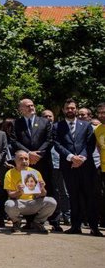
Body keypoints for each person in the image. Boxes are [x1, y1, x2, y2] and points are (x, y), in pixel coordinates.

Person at [52, 98, 101, 236]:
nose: (70, 110)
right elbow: (57, 144)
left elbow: (90, 144)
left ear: (77, 109)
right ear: (63, 110)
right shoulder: (57, 126)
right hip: (69, 166)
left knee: (89, 196)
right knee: (73, 196)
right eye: (67, 108)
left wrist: (82, 158)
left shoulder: (86, 125)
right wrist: (71, 157)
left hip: (86, 166)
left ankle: (94, 227)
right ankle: (75, 226)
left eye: (72, 108)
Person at [10, 98, 58, 230]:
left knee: (44, 189)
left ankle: (45, 220)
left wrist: (38, 155)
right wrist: (28, 154)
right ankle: (29, 221)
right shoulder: (16, 123)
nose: (31, 107)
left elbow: (49, 140)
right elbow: (14, 141)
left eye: (32, 105)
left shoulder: (45, 122)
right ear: (21, 109)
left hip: (42, 162)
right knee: (27, 190)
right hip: (24, 162)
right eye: (27, 106)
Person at [4, 150, 57, 234]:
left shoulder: (35, 172)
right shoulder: (9, 173)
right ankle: (16, 222)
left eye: (26, 159)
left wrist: (42, 188)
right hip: (19, 203)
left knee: (51, 202)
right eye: (21, 159)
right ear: (15, 160)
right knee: (9, 204)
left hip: (33, 202)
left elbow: (43, 194)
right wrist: (19, 191)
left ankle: (38, 222)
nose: (24, 161)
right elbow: (10, 194)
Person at [41, 109, 71, 227]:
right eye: (45, 116)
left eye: (50, 116)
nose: (48, 118)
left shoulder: (59, 128)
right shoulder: (41, 131)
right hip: (47, 166)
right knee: (51, 192)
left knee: (64, 192)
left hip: (60, 164)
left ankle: (67, 216)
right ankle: (52, 218)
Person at [95, 103, 105, 227]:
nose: (102, 115)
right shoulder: (97, 129)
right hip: (102, 168)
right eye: (100, 113)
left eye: (104, 112)